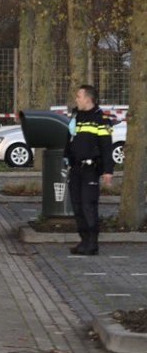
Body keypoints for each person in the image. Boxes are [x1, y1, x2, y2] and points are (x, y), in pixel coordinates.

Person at [65, 84, 114, 255]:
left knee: (88, 205)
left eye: (79, 96)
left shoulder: (101, 119)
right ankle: (84, 240)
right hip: (76, 169)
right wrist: (66, 158)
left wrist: (108, 170)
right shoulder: (76, 117)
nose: (76, 99)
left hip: (91, 169)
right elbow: (69, 139)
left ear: (88, 98)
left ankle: (92, 243)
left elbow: (107, 146)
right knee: (77, 206)